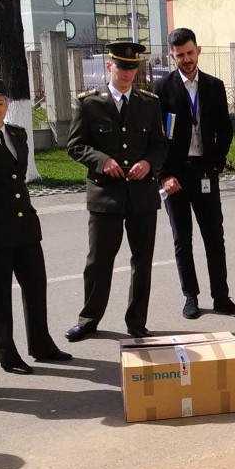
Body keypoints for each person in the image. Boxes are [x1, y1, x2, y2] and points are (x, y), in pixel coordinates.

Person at [0, 79, 71, 374]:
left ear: (7, 105)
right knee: (0, 292)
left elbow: (17, 177)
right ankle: (6, 353)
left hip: (24, 224)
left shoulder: (17, 134)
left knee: (35, 286)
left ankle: (41, 344)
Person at [66, 41, 168, 341]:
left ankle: (136, 321)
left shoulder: (149, 103)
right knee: (98, 261)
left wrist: (148, 163)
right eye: (122, 67)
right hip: (106, 194)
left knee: (142, 261)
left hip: (141, 195)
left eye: (132, 68)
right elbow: (75, 145)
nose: (127, 74)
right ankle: (88, 319)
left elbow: (160, 145)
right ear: (109, 66)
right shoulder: (89, 104)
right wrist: (102, 161)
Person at [155, 28, 235, 320]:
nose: (186, 59)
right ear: (172, 56)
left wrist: (216, 163)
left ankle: (221, 296)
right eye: (180, 55)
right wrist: (164, 175)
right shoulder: (162, 89)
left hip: (205, 173)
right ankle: (190, 296)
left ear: (198, 50)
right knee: (182, 239)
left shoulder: (214, 86)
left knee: (214, 237)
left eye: (190, 53)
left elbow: (225, 130)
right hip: (175, 176)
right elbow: (156, 137)